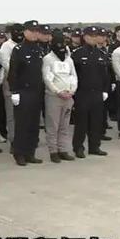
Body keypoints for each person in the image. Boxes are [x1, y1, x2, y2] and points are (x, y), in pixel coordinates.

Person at [8, 20, 45, 166]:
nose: (35, 33)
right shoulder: (18, 49)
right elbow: (13, 72)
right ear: (25, 32)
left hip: (37, 92)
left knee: (34, 125)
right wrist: (14, 91)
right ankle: (19, 153)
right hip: (23, 92)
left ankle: (30, 152)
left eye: (37, 31)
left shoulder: (39, 49)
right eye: (32, 30)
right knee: (22, 124)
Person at [71, 26, 109, 158]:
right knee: (81, 123)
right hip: (82, 93)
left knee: (96, 122)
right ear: (85, 37)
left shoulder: (101, 54)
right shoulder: (77, 54)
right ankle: (78, 147)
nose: (94, 38)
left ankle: (94, 146)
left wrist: (105, 90)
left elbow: (105, 75)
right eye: (91, 36)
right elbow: (73, 74)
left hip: (97, 93)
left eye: (95, 36)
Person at [42, 29, 77, 163]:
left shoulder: (69, 60)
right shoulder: (48, 59)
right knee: (53, 126)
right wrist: (57, 91)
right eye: (58, 43)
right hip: (54, 97)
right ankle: (53, 151)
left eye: (63, 43)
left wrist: (72, 90)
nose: (61, 46)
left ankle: (63, 149)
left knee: (64, 126)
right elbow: (47, 78)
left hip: (68, 97)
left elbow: (73, 76)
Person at [0, 23, 22, 152]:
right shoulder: (6, 46)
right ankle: (13, 141)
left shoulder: (25, 45)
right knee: (12, 114)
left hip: (25, 84)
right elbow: (6, 63)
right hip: (11, 82)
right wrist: (20, 73)